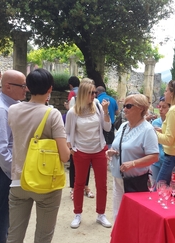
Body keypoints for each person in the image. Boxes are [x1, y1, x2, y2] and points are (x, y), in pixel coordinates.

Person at [6, 68, 70, 243]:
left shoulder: (12, 110)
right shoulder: (52, 114)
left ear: (27, 87)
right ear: (50, 89)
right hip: (45, 182)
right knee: (43, 236)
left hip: (18, 179)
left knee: (14, 235)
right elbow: (64, 156)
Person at [0, 70, 27, 243]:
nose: (26, 89)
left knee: (6, 217)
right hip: (2, 169)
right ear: (8, 86)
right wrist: (15, 172)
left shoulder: (9, 105)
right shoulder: (0, 109)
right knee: (2, 218)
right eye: (22, 86)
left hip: (2, 169)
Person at [66, 79, 112, 229]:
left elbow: (107, 128)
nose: (94, 95)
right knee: (79, 183)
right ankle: (77, 213)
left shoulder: (98, 106)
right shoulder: (73, 112)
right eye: (91, 93)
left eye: (95, 92)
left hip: (99, 149)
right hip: (81, 151)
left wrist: (105, 112)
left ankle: (101, 214)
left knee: (102, 184)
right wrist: (71, 148)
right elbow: (67, 133)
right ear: (84, 94)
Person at [106, 94, 159, 219]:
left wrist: (133, 163)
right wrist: (111, 151)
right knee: (118, 214)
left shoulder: (148, 130)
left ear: (141, 108)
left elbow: (154, 156)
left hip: (135, 181)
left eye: (128, 106)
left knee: (133, 216)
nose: (124, 109)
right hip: (119, 179)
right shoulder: (124, 126)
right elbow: (119, 146)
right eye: (124, 106)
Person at [65, 76, 94, 200]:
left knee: (87, 166)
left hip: (88, 141)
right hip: (76, 140)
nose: (92, 93)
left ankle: (86, 186)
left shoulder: (94, 103)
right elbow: (70, 117)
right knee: (74, 165)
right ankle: (73, 188)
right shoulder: (74, 99)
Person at [151, 97, 170, 181]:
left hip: (168, 159)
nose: (161, 109)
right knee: (155, 184)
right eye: (159, 106)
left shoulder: (173, 123)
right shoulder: (155, 122)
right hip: (156, 161)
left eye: (164, 107)